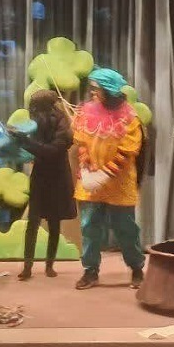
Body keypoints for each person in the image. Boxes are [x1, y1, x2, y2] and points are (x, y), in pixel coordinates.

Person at [71, 68, 146, 290]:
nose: (93, 93)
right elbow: (81, 143)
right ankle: (90, 271)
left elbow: (128, 150)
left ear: (109, 90)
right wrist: (86, 167)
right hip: (91, 184)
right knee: (89, 228)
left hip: (119, 185)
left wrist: (104, 174)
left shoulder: (130, 118)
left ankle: (136, 268)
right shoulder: (85, 112)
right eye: (92, 89)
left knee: (126, 229)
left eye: (97, 89)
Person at [9, 90, 77, 280]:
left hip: (57, 177)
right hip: (40, 175)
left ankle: (49, 266)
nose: (32, 111)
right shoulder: (37, 120)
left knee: (54, 222)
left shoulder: (61, 123)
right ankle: (27, 267)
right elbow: (33, 145)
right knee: (33, 221)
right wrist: (15, 136)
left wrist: (26, 142)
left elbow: (52, 151)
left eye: (34, 107)